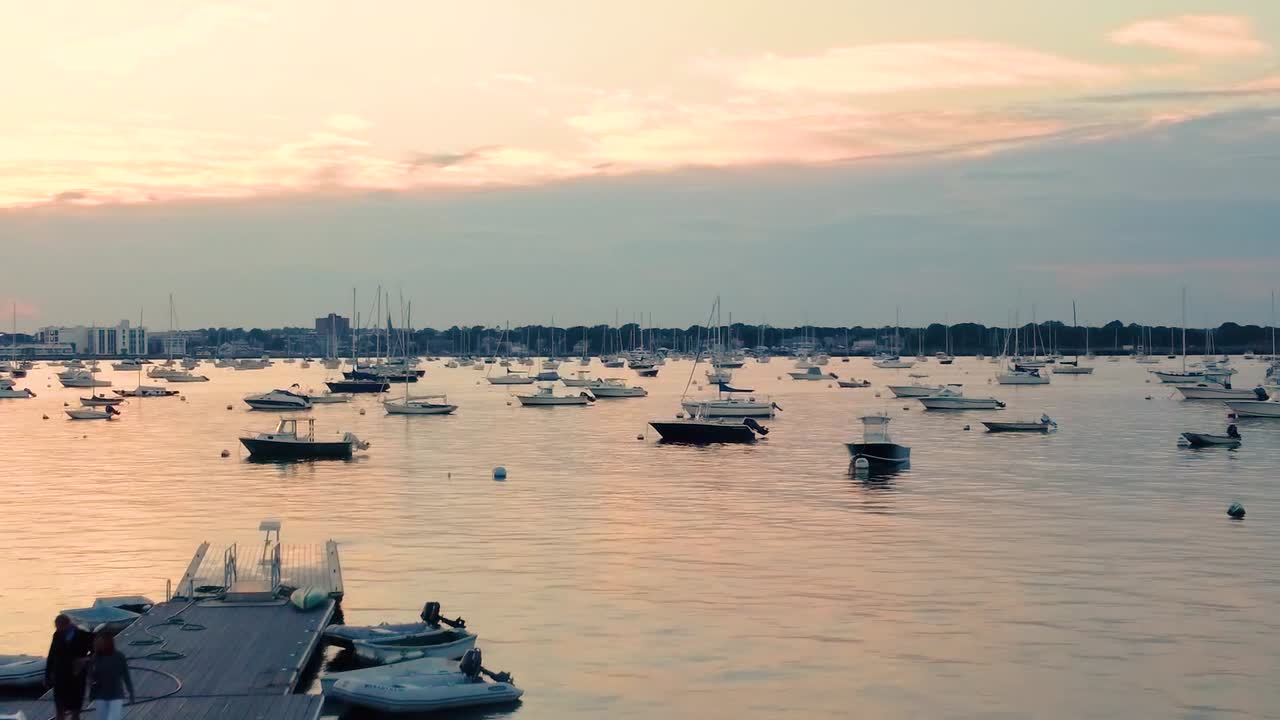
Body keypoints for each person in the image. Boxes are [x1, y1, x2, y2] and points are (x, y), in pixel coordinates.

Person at [46, 614, 92, 720]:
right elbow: (51, 655)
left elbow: (97, 650)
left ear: (66, 624)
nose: (57, 629)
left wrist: (85, 659)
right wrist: (47, 675)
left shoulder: (83, 635)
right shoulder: (57, 635)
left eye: (58, 627)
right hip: (60, 676)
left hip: (76, 677)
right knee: (60, 709)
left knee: (75, 710)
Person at [89, 634, 135, 720]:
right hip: (100, 695)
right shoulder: (95, 657)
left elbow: (126, 676)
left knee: (114, 718)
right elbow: (91, 676)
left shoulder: (119, 657)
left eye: (100, 643)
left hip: (116, 694)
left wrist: (131, 692)